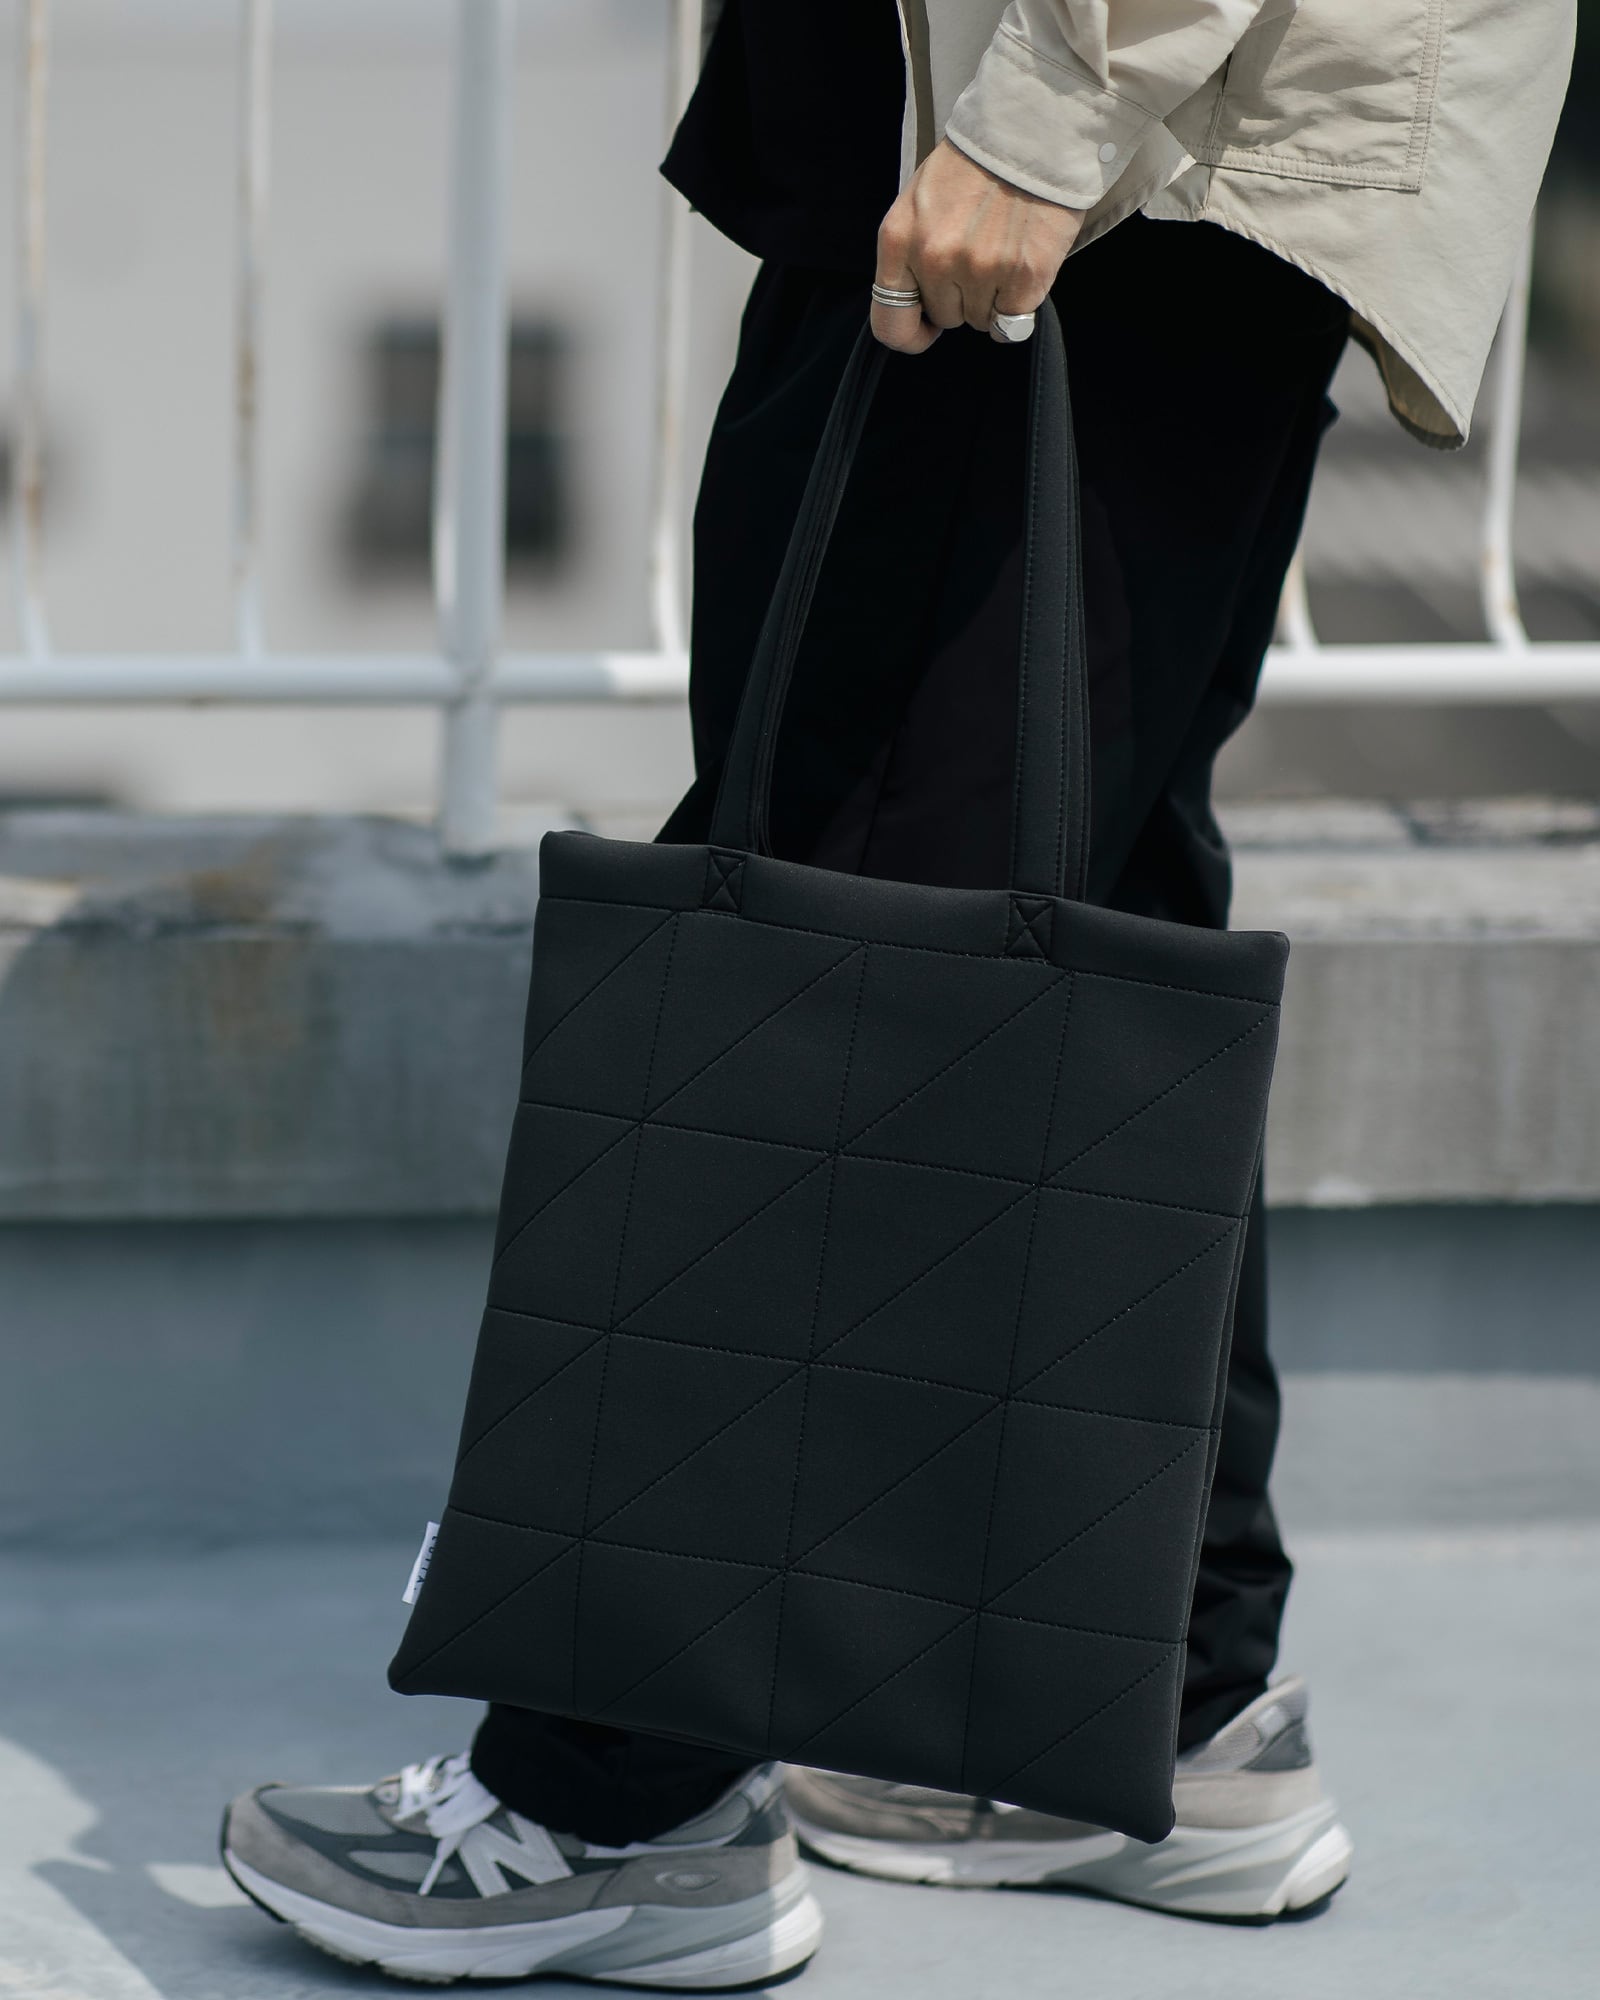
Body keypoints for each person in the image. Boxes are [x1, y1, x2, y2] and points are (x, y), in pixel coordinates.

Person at [220, 0, 1572, 1984]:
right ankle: (1171, 1713)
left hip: (1092, 149)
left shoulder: (1060, 133)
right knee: (1077, 900)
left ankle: (624, 1798)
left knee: (831, 926)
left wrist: (1045, 115)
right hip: (1121, 146)